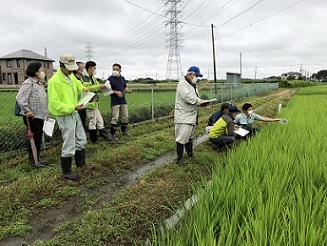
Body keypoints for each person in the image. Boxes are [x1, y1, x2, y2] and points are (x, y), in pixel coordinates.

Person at [48, 52, 92, 180]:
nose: (71, 71)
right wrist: (72, 107)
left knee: (81, 138)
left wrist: (83, 89)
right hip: (65, 114)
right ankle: (66, 171)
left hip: (74, 112)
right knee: (69, 141)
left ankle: (81, 164)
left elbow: (77, 84)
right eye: (68, 68)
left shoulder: (70, 76)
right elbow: (54, 104)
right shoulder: (54, 81)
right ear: (61, 65)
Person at [16, 62, 48, 168]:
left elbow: (43, 100)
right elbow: (20, 98)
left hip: (40, 115)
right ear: (35, 72)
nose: (42, 72)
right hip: (32, 117)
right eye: (41, 70)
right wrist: (27, 111)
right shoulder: (28, 83)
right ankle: (34, 161)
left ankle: (36, 158)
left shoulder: (39, 84)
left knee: (38, 138)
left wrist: (46, 113)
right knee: (34, 138)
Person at [174, 66, 208, 166]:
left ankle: (190, 154)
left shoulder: (194, 85)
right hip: (184, 116)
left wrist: (202, 102)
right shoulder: (182, 84)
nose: (197, 78)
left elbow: (195, 98)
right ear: (190, 74)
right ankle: (179, 158)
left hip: (192, 115)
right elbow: (188, 98)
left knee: (190, 137)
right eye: (196, 75)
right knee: (182, 137)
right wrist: (200, 102)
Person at [82, 61, 111, 143]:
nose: (95, 70)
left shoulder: (92, 77)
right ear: (90, 68)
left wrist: (103, 86)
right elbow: (87, 88)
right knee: (93, 121)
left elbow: (97, 85)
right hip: (89, 103)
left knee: (100, 120)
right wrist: (99, 86)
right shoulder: (85, 77)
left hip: (95, 102)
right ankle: (94, 139)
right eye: (94, 68)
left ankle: (105, 137)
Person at [108, 63, 131, 140]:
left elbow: (125, 86)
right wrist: (116, 92)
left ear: (120, 70)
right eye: (113, 69)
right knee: (115, 118)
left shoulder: (122, 78)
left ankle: (124, 131)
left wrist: (127, 90)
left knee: (125, 117)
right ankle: (113, 133)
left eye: (116, 69)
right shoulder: (110, 79)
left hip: (123, 101)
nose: (115, 71)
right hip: (115, 102)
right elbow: (107, 90)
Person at [73, 62, 87, 129]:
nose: (85, 70)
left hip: (82, 105)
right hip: (76, 106)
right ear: (78, 69)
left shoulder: (82, 80)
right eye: (84, 68)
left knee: (82, 124)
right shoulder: (73, 79)